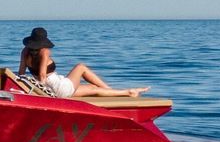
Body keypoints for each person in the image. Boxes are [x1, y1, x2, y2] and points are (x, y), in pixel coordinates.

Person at [16, 27, 148, 98]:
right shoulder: (44, 52)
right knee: (81, 67)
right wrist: (45, 95)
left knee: (93, 89)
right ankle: (112, 90)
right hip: (57, 88)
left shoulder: (25, 51)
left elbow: (21, 73)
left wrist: (35, 90)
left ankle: (128, 92)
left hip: (53, 90)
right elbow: (43, 75)